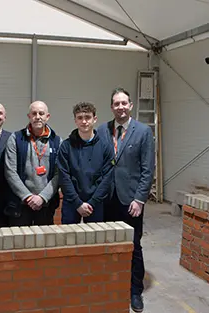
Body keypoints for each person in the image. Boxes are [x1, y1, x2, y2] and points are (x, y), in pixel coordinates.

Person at [98, 87, 155, 313]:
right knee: (108, 244)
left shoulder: (143, 131)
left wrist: (139, 199)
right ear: (111, 107)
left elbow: (147, 169)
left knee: (133, 246)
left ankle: (134, 291)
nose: (120, 107)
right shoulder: (103, 130)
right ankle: (111, 284)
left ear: (130, 106)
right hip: (106, 199)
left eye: (124, 103)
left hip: (130, 200)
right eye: (116, 103)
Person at [4, 100, 61, 226]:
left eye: (41, 113)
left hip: (46, 205)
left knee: (44, 243)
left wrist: (42, 197)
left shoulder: (57, 142)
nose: (38, 117)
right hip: (20, 205)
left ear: (47, 116)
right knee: (20, 243)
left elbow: (58, 174)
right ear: (29, 116)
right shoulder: (16, 138)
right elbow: (10, 171)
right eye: (34, 113)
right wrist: (28, 197)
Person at [57, 102, 114, 224]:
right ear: (75, 121)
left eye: (87, 117)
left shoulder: (105, 146)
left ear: (95, 119)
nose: (84, 121)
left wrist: (92, 202)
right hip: (72, 202)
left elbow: (107, 178)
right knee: (69, 240)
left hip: (96, 203)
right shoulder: (66, 146)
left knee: (95, 241)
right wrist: (77, 203)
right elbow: (64, 177)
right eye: (80, 118)